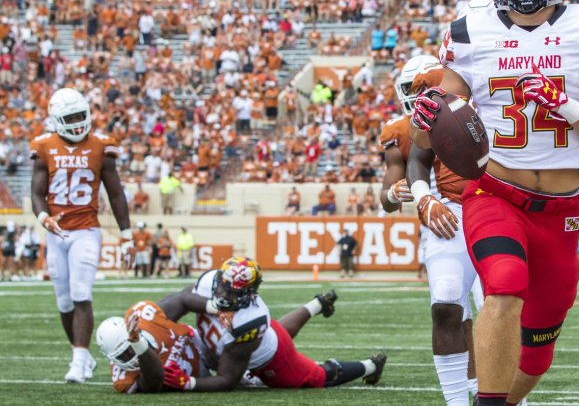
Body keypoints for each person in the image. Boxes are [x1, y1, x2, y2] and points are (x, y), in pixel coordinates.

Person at [411, 0, 579, 405]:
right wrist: (425, 117)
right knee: (504, 286)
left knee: (537, 354)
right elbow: (427, 133)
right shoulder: (468, 33)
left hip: (561, 208)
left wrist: (566, 106)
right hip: (495, 193)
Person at [386, 54, 482, 405]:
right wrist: (416, 196)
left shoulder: (498, 80)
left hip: (498, 204)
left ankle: (499, 392)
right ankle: (461, 397)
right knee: (448, 303)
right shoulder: (416, 115)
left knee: (496, 309)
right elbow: (414, 164)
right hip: (446, 211)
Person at [155, 257, 386, 391]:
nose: (224, 293)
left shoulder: (250, 321)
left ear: (250, 293)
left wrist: (188, 382)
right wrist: (151, 323)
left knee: (315, 377)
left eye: (232, 291)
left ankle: (371, 365)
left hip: (271, 358)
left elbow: (227, 378)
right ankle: (318, 304)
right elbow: (177, 302)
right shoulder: (208, 282)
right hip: (260, 336)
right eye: (222, 286)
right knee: (278, 328)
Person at [30, 88, 133, 383]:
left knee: (81, 293)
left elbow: (115, 193)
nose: (76, 122)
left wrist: (127, 234)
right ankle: (83, 357)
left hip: (86, 230)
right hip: (57, 234)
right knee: (64, 301)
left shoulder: (102, 146)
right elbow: (37, 193)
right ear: (56, 120)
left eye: (79, 115)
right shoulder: (44, 146)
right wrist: (43, 217)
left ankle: (77, 362)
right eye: (70, 118)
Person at [96, 300, 206, 393]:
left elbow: (183, 299)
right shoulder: (123, 379)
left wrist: (213, 306)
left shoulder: (146, 317)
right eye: (122, 356)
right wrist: (185, 382)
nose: (131, 356)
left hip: (202, 344)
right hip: (199, 375)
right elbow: (153, 384)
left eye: (129, 349)